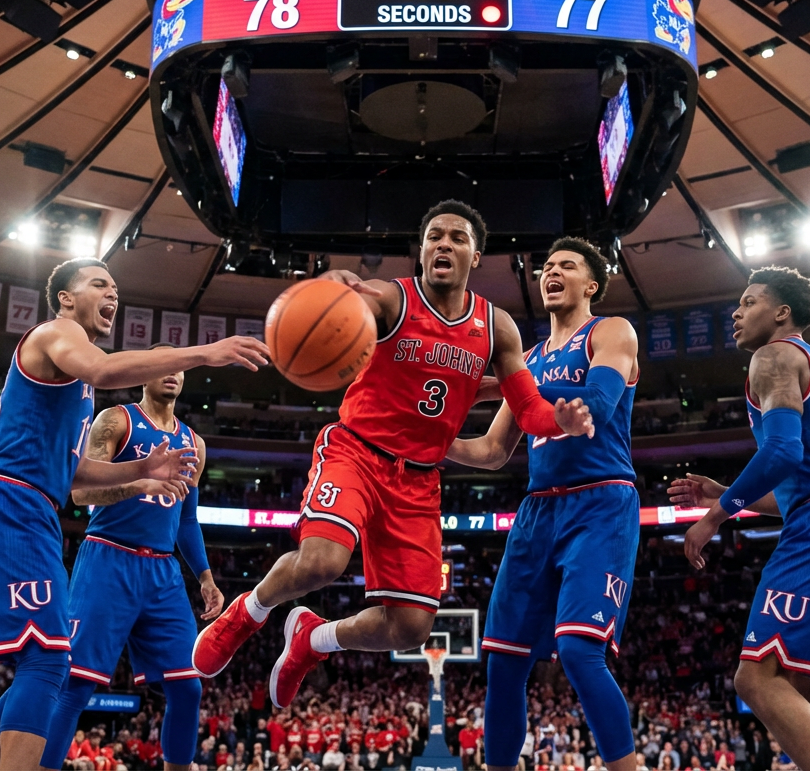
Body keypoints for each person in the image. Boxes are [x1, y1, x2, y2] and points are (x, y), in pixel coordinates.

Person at [193, 201, 593, 708]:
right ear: (421, 251)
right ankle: (247, 612)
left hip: (419, 479)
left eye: (456, 237)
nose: (443, 243)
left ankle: (313, 639)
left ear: (476, 255)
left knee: (410, 627)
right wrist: (335, 290)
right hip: (356, 453)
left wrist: (559, 421)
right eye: (434, 236)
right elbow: (350, 304)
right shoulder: (390, 299)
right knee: (322, 562)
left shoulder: (498, 328)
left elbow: (528, 409)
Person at [0, 257, 269, 771]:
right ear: (64, 298)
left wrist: (143, 470)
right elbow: (104, 370)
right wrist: (207, 353)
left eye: (115, 288)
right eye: (100, 283)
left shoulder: (77, 381)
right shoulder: (57, 334)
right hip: (12, 503)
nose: (112, 293)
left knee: (50, 659)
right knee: (51, 662)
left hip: (37, 507)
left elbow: (72, 474)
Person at [670, 267, 810, 771]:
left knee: (753, 680)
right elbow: (803, 479)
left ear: (781, 313)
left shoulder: (772, 356)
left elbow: (781, 452)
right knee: (796, 683)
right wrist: (732, 492)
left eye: (749, 302)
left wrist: (714, 515)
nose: (736, 311)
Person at [445, 238, 641, 771]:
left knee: (579, 654)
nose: (551, 272)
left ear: (591, 284)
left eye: (567, 266)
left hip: (600, 502)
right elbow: (489, 451)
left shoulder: (611, 331)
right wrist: (426, 441)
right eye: (547, 267)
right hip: (536, 513)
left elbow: (600, 398)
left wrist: (572, 410)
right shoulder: (527, 360)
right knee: (503, 664)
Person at [41, 345, 224, 771]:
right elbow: (81, 493)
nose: (173, 372)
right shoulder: (117, 420)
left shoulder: (194, 442)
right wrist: (141, 481)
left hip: (163, 571)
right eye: (164, 364)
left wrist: (205, 576)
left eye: (181, 367)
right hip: (108, 558)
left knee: (188, 688)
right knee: (76, 684)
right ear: (147, 372)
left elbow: (187, 520)